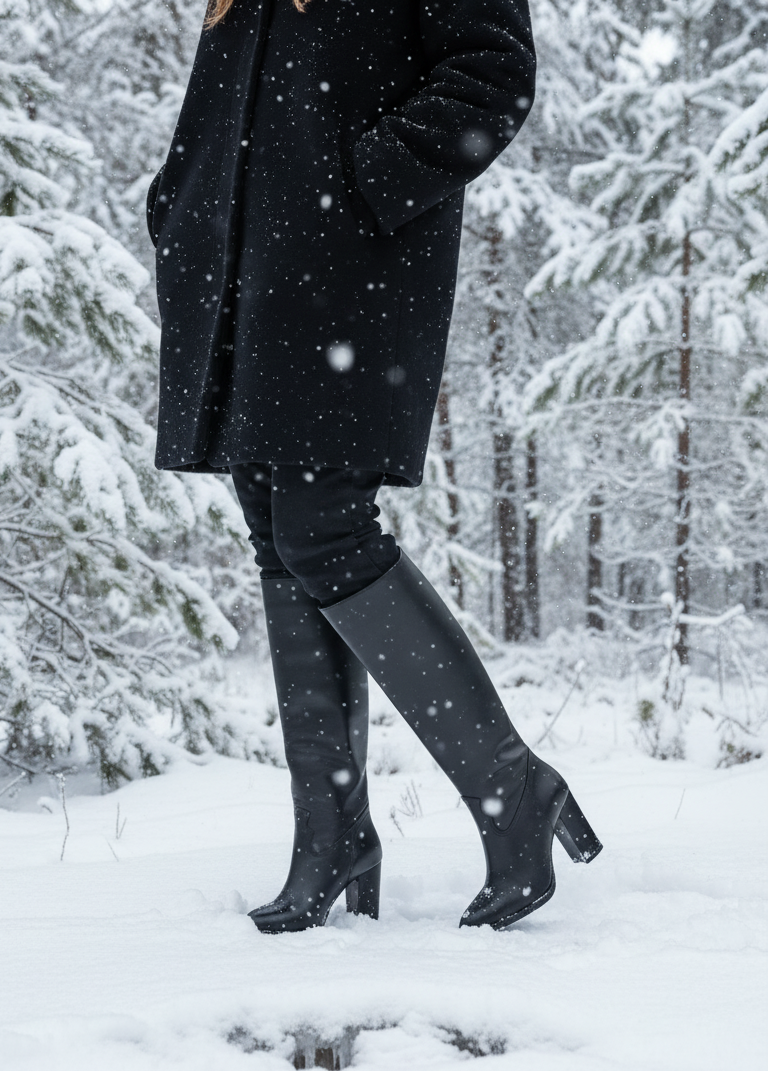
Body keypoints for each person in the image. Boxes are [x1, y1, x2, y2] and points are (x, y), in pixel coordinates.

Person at [146, 0, 602, 934]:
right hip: (239, 267)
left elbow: (490, 71)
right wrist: (179, 200)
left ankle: (512, 789)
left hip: (347, 260)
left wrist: (365, 181)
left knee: (324, 529)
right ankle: (334, 836)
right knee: (280, 535)